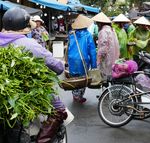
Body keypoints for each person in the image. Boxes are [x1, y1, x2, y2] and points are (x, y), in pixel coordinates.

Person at [0, 7, 67, 143]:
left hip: (4, 97)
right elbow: (56, 67)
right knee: (59, 109)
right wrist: (61, 64)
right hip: (26, 96)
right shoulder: (29, 44)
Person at [67, 14, 97, 103]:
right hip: (83, 59)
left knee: (74, 77)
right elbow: (92, 51)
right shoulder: (88, 35)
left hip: (72, 59)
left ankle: (75, 94)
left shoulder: (71, 34)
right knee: (83, 78)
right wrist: (93, 65)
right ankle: (79, 96)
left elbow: (68, 47)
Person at [92, 12, 120, 77]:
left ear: (100, 23)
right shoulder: (112, 30)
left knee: (105, 76)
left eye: (97, 23)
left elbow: (103, 47)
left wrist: (99, 59)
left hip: (107, 59)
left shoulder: (103, 31)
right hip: (114, 57)